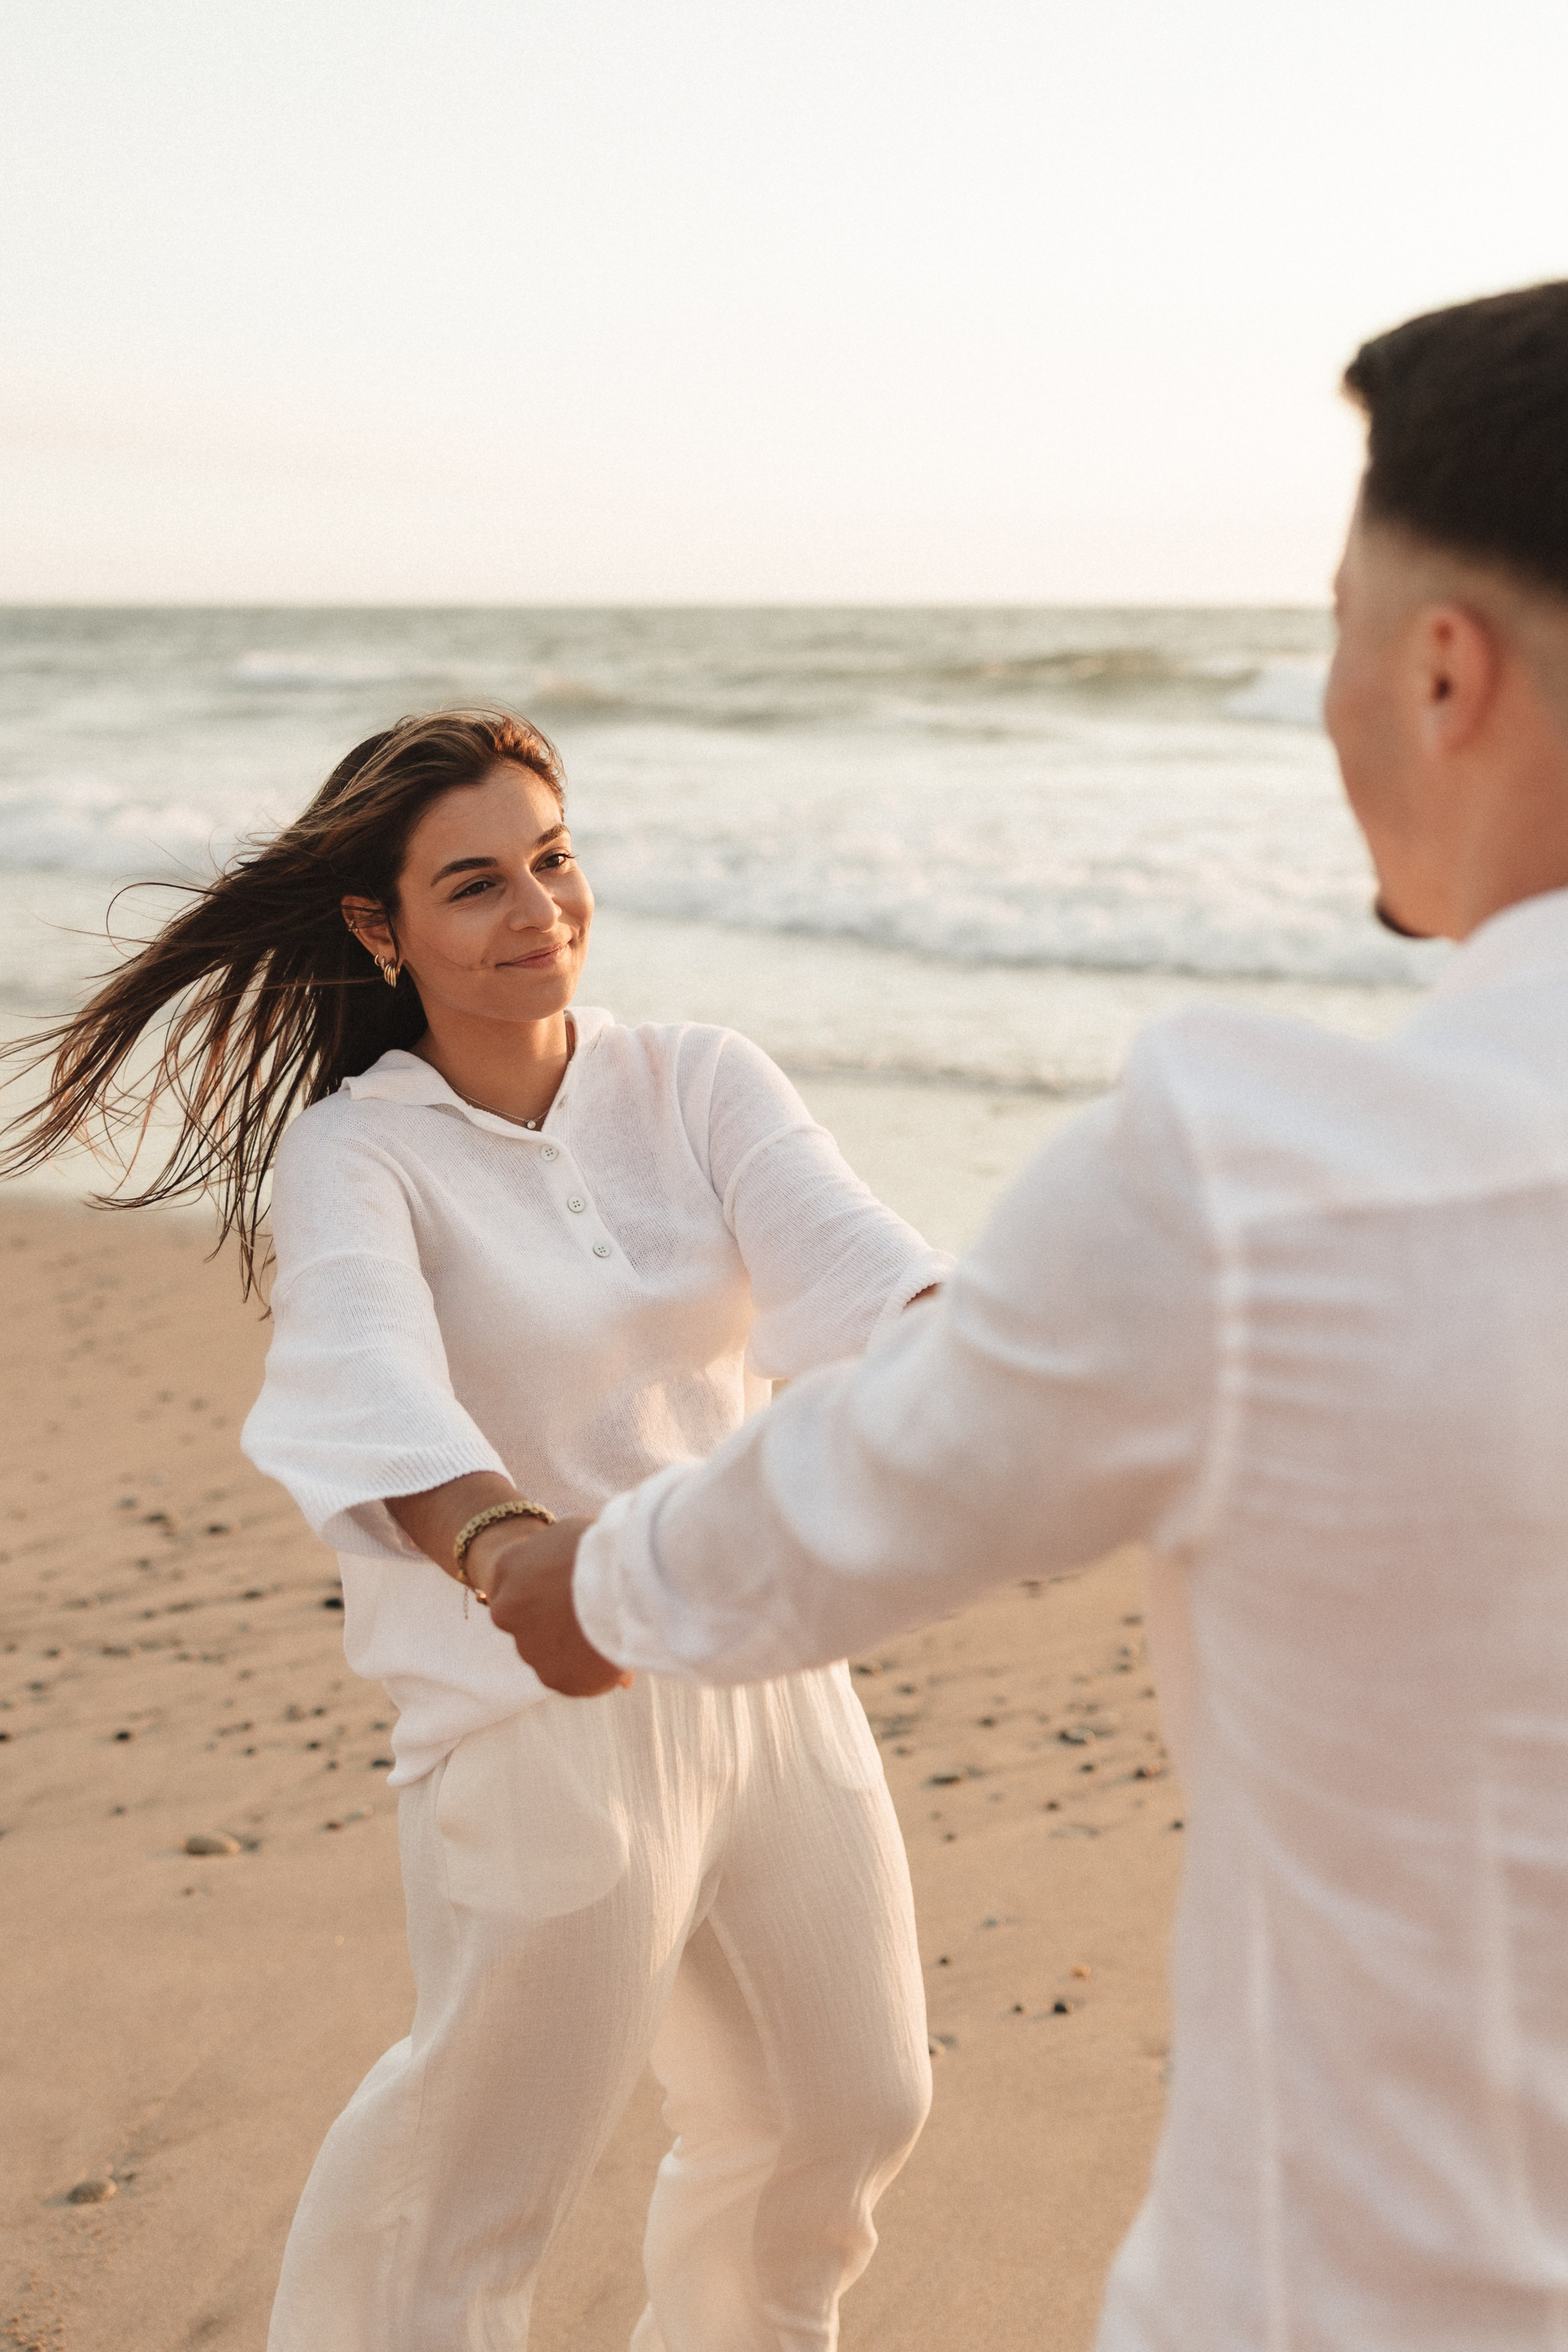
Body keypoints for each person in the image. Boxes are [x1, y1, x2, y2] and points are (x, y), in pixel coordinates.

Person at [483, 282, 1568, 2349]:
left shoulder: (1268, 1178)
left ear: (1443, 670)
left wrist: (579, 1578)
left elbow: (862, 1500)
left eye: (1338, 620)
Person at [1, 709, 947, 2351]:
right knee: (479, 2182)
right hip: (538, 1710)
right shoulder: (361, 1148)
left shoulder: (700, 1078)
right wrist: (518, 1557)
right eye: (478, 884)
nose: (540, 911)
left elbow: (871, 1282)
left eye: (556, 859)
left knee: (845, 2107)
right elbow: (365, 1380)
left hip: (758, 1664)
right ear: (383, 927)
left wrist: (1045, 1370)